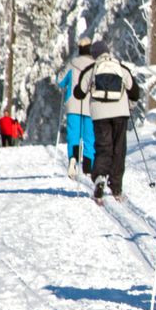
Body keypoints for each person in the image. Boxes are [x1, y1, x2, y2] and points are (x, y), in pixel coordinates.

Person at [73, 40, 141, 203]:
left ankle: (100, 177)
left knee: (104, 147)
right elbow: (135, 92)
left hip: (100, 114)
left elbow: (79, 93)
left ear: (94, 55)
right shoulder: (121, 68)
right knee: (118, 149)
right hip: (120, 114)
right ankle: (116, 187)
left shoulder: (91, 70)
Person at [57, 37, 96, 176]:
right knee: (89, 137)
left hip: (73, 104)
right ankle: (88, 165)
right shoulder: (95, 65)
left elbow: (60, 81)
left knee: (74, 135)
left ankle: (73, 159)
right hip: (91, 106)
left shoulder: (72, 64)